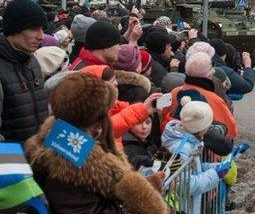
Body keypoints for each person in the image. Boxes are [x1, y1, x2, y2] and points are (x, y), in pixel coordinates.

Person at [24, 73, 167, 214]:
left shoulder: (61, 138)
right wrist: (129, 206)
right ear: (94, 118)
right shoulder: (69, 163)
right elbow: (84, 207)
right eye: (106, 111)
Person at [162, 97, 229, 214]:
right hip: (182, 207)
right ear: (200, 128)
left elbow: (191, 168)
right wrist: (215, 175)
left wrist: (213, 167)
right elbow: (184, 185)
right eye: (208, 125)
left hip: (187, 205)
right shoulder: (182, 147)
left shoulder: (188, 140)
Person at [0, 0, 49, 142]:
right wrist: (14, 161)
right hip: (12, 161)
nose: (41, 36)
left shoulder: (32, 60)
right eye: (33, 29)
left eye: (42, 29)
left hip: (35, 158)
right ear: (15, 29)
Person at [164, 52, 237, 139]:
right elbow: (231, 131)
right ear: (209, 75)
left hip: (174, 144)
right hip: (201, 148)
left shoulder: (174, 92)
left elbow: (163, 118)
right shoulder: (214, 99)